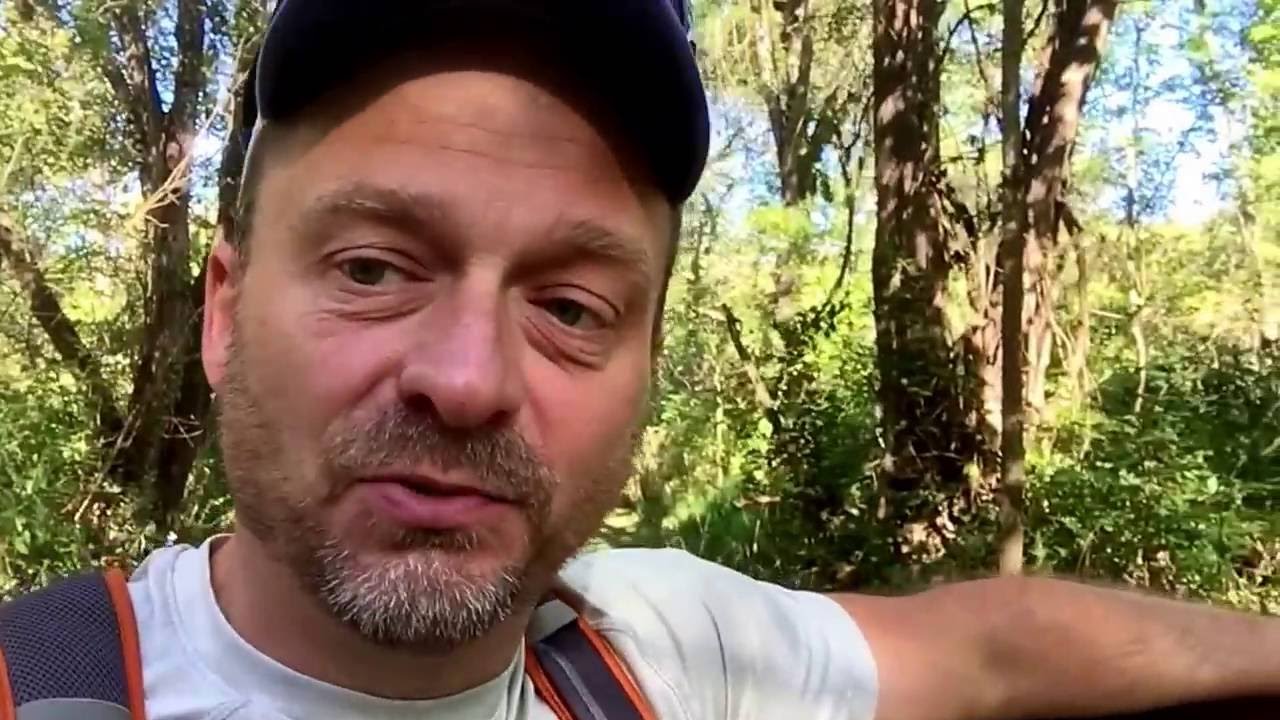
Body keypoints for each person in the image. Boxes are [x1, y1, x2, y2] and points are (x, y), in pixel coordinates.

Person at [1, 1, 1278, 719]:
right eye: (374, 268)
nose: (467, 377)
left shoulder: (659, 651)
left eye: (568, 304)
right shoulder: (44, 686)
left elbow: (995, 646)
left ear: (648, 362)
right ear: (224, 311)